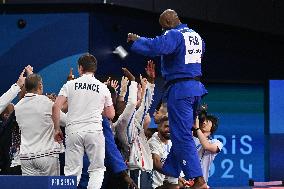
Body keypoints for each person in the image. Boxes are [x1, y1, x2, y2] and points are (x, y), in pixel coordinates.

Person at [127, 9, 208, 188]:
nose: (163, 31)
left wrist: (138, 40)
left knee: (181, 135)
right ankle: (171, 168)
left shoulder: (174, 34)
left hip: (180, 90)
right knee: (182, 132)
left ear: (168, 24)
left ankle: (198, 180)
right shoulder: (196, 36)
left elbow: (157, 46)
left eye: (163, 28)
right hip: (195, 88)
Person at [52, 53, 115, 189]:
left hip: (73, 131)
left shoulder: (69, 85)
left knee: (72, 172)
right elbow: (110, 114)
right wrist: (97, 109)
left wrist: (57, 129)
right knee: (97, 169)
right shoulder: (103, 87)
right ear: (94, 69)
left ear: (80, 68)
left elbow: (56, 106)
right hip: (94, 132)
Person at [14, 73, 66, 175]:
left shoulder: (18, 106)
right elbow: (66, 121)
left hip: (26, 157)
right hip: (46, 155)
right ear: (40, 86)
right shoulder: (46, 102)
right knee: (51, 187)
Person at [193, 115, 223, 187]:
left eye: (207, 121)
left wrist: (197, 129)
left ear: (213, 126)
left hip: (200, 183)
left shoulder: (216, 142)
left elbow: (206, 146)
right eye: (203, 121)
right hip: (185, 179)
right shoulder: (190, 138)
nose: (204, 123)